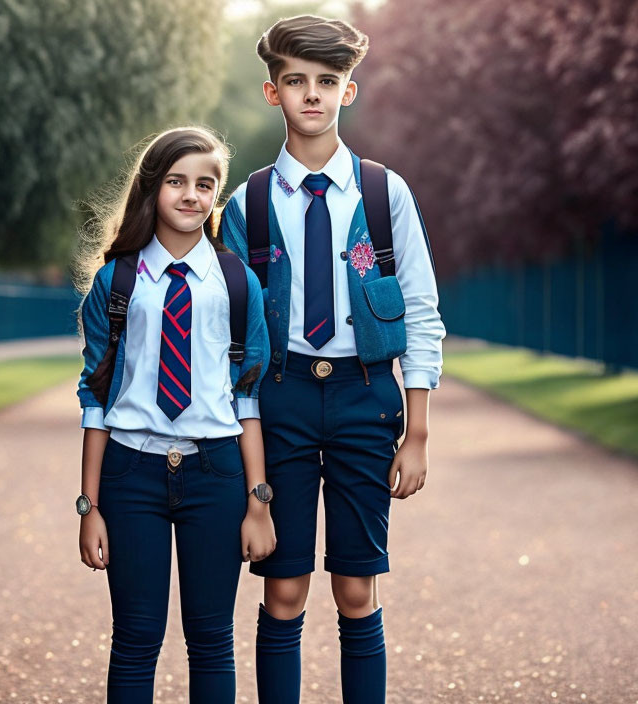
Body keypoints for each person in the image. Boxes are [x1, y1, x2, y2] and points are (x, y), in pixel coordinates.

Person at [219, 16, 447, 704]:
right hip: (282, 398)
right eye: (296, 82)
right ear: (272, 92)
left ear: (348, 92)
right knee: (284, 588)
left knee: (355, 585)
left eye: (327, 82)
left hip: (365, 397)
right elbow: (233, 339)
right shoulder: (247, 204)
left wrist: (418, 432)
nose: (311, 95)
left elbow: (424, 313)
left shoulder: (385, 195)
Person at [75, 126, 276, 704]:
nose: (191, 195)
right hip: (130, 473)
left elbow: (249, 397)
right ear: (152, 188)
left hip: (216, 473)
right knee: (136, 638)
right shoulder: (117, 281)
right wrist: (89, 506)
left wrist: (258, 502)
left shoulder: (238, 283)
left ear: (217, 194)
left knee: (211, 638)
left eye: (205, 184)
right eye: (177, 181)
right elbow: (95, 398)